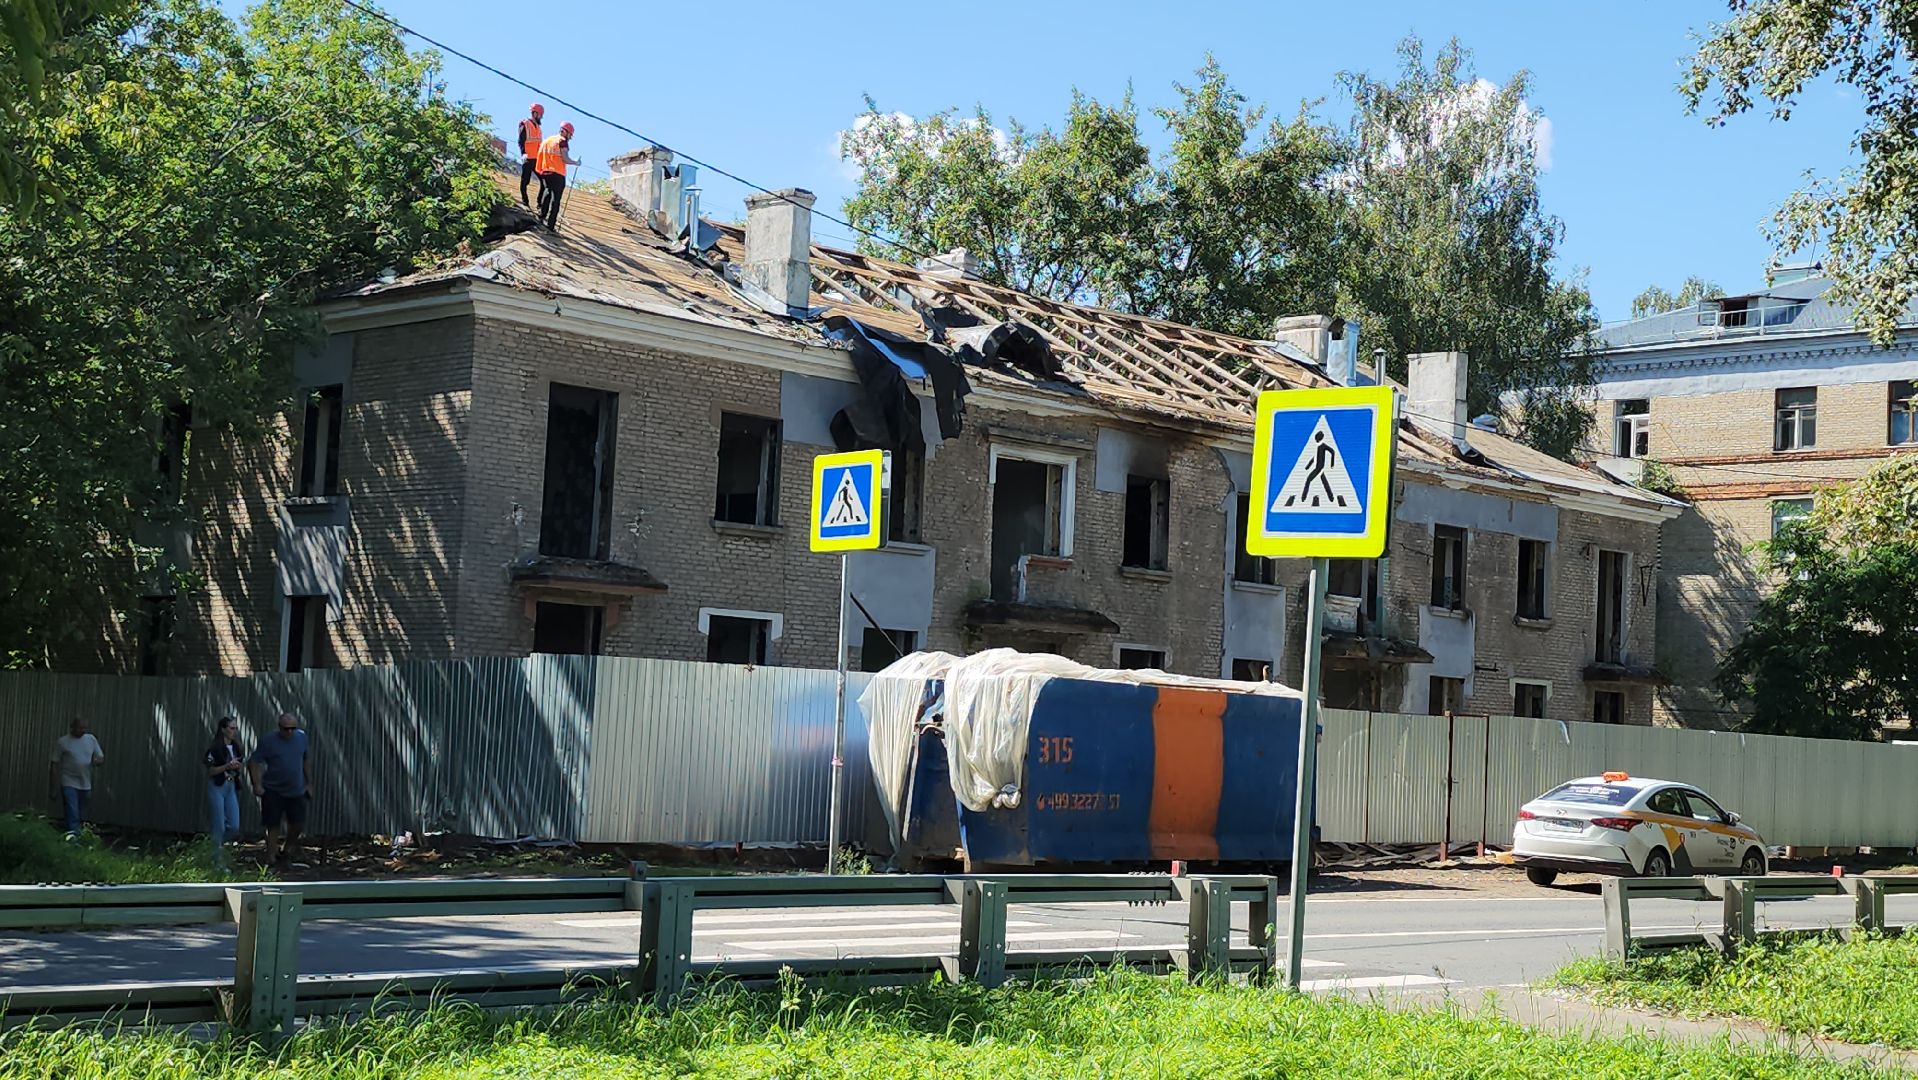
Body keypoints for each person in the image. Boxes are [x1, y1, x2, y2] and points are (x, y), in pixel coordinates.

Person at [249, 712, 312, 867]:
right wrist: (256, 784)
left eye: (293, 728)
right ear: (279, 728)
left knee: (298, 824)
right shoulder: (268, 741)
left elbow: (306, 759)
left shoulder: (301, 737)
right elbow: (253, 762)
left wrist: (309, 783)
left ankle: (287, 850)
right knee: (273, 824)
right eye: (286, 729)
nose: (289, 732)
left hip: (296, 789)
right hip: (273, 789)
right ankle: (271, 857)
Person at [49, 717, 104, 839]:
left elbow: (100, 757)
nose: (82, 731)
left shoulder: (91, 739)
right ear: (72, 727)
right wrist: (53, 786)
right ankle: (73, 840)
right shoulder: (63, 742)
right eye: (80, 728)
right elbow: (54, 763)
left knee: (81, 813)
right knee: (72, 810)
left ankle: (76, 834)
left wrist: (97, 761)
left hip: (85, 783)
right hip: (68, 781)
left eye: (84, 728)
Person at [204, 717, 245, 869]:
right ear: (223, 729)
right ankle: (217, 862)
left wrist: (237, 767)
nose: (234, 732)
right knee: (219, 826)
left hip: (231, 785)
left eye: (236, 728)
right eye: (231, 728)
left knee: (234, 825)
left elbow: (239, 766)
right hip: (217, 786)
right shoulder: (215, 748)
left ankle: (215, 846)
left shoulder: (236, 748)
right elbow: (211, 771)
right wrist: (227, 765)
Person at [534, 122, 579, 230]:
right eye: (570, 135)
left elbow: (540, 156)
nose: (570, 138)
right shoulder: (562, 141)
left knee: (547, 193)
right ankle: (551, 224)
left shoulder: (547, 141)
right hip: (557, 173)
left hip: (545, 171)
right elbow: (565, 158)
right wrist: (575, 162)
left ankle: (541, 216)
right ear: (566, 132)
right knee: (556, 199)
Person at [516, 103, 545, 207]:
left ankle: (539, 203)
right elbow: (521, 140)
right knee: (525, 181)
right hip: (528, 157)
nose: (541, 117)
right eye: (540, 115)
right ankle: (525, 202)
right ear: (535, 113)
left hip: (537, 159)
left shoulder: (538, 127)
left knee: (544, 182)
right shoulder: (524, 123)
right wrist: (523, 153)